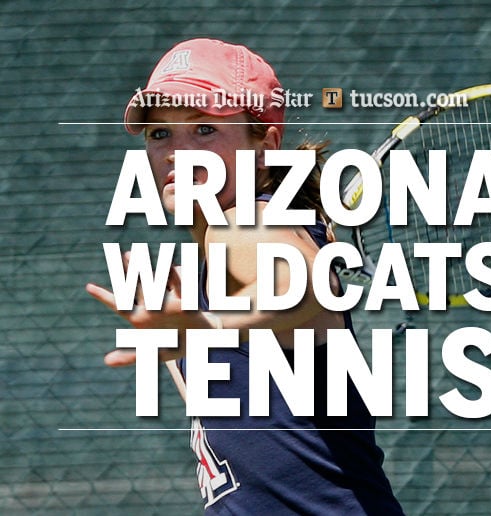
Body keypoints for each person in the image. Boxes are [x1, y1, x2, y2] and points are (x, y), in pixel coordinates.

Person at [86, 37, 404, 515]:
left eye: (205, 129)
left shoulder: (245, 224)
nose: (176, 151)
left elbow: (302, 284)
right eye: (159, 134)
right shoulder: (200, 278)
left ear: (265, 148)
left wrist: (210, 325)